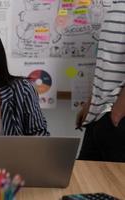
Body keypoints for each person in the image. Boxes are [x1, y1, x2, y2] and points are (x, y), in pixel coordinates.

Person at [75, 1, 125, 162]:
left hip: (115, 119)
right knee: (83, 181)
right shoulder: (116, 7)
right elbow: (106, 63)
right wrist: (91, 103)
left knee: (115, 186)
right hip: (99, 115)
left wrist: (116, 115)